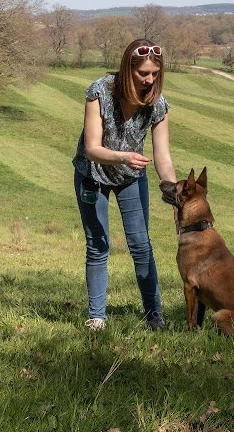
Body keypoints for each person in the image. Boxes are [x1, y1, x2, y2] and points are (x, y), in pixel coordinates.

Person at [72, 39, 176, 332]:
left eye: (155, 74)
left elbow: (163, 157)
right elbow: (92, 148)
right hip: (92, 174)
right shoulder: (99, 93)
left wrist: (174, 196)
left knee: (141, 245)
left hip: (130, 177)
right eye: (143, 73)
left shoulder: (157, 104)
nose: (149, 80)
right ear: (127, 70)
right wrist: (123, 156)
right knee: (98, 244)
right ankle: (96, 318)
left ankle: (155, 316)